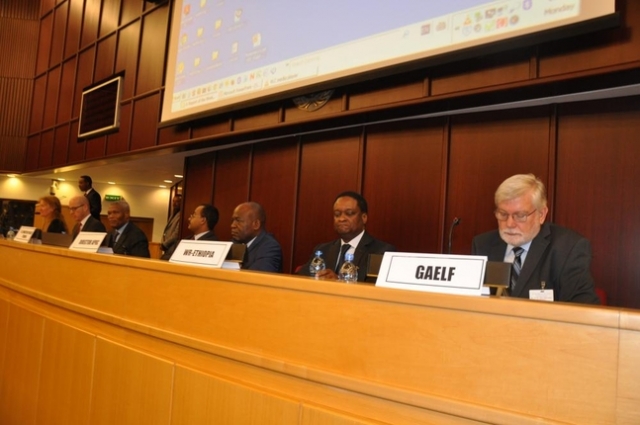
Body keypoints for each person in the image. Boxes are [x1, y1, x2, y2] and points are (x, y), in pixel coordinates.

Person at [471, 174, 600, 304]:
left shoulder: (568, 248)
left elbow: (583, 309)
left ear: (541, 214)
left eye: (520, 215)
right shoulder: (483, 245)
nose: (509, 224)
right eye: (503, 214)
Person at [297, 191, 396, 281]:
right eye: (337, 214)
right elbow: (301, 279)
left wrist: (338, 282)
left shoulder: (381, 251)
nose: (341, 219)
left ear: (364, 218)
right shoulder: (323, 250)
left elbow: (375, 289)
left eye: (349, 213)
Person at [230, 202, 282, 272]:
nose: (232, 225)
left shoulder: (270, 247)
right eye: (232, 220)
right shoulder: (233, 243)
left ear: (256, 224)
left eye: (238, 221)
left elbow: (256, 278)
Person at [160, 194, 182, 260]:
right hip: (167, 246)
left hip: (173, 246)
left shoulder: (181, 215)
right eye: (173, 201)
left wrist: (165, 244)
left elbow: (176, 233)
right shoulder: (173, 214)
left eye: (177, 201)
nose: (174, 204)